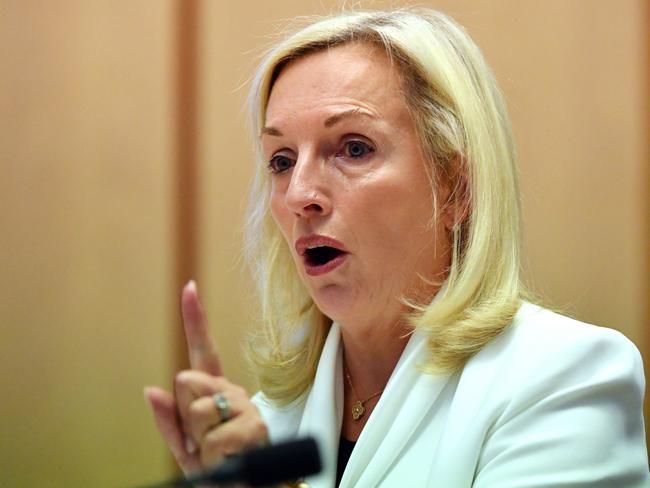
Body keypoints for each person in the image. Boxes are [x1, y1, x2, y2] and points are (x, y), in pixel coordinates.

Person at [144, 8, 649, 487]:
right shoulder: (268, 426)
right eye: (280, 159)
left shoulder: (564, 379)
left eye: (353, 148)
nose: (299, 195)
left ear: (457, 189)